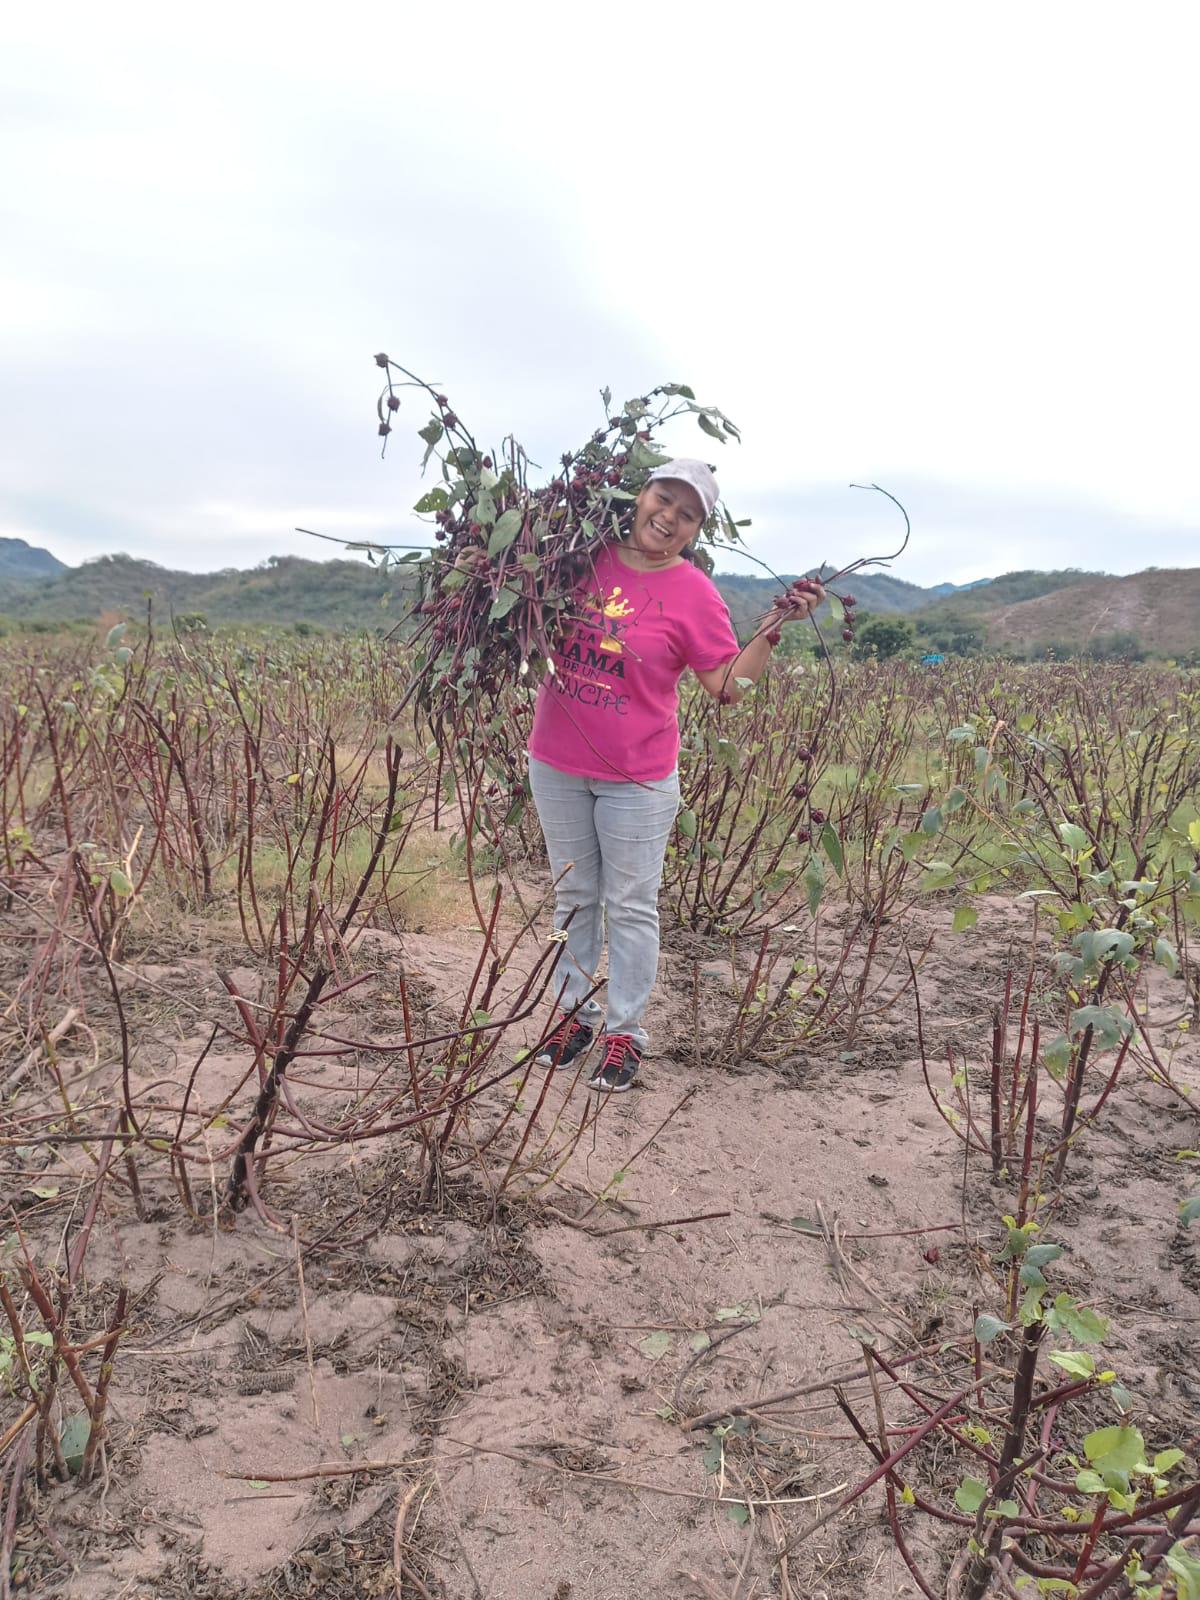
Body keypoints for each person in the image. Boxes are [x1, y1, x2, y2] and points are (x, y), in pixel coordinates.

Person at [528, 459, 825, 1092]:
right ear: (641, 496)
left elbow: (728, 687)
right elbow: (525, 617)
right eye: (664, 500)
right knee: (571, 898)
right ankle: (569, 1016)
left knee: (631, 906)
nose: (669, 517)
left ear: (697, 529)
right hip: (554, 763)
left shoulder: (695, 593)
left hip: (636, 777)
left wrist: (773, 630)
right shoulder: (577, 556)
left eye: (686, 514)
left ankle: (623, 1034)